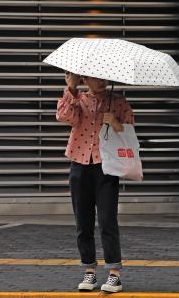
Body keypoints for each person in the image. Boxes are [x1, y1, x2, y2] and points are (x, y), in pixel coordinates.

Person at [56, 72, 133, 293]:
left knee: (108, 219)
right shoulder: (77, 99)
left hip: (106, 165)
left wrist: (115, 122)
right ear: (84, 80)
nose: (101, 81)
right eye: (95, 77)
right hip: (79, 164)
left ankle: (114, 274)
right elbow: (64, 117)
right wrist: (70, 89)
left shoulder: (117, 102)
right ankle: (89, 271)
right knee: (83, 221)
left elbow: (130, 130)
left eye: (103, 77)